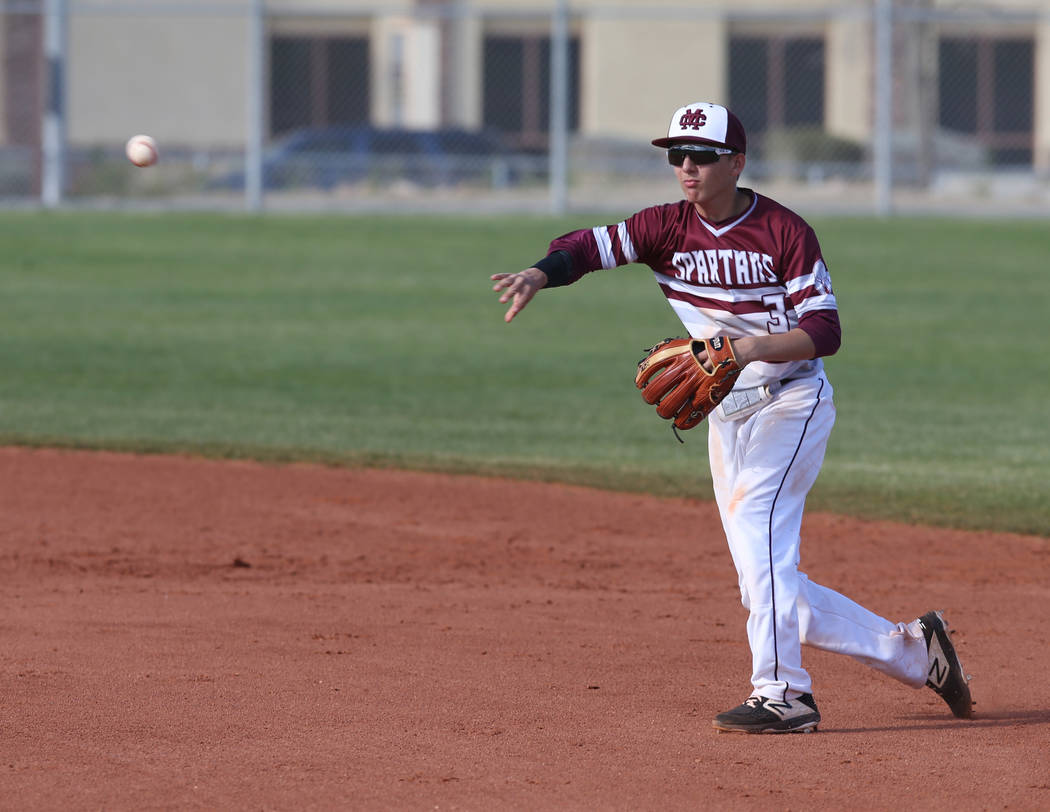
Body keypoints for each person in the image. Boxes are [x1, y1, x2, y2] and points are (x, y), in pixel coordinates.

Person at [490, 101, 973, 733]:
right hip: (727, 417)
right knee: (765, 588)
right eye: (677, 157)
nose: (687, 168)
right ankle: (915, 652)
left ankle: (784, 694)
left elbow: (823, 332)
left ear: (737, 162)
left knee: (759, 535)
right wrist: (539, 271)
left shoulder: (782, 230)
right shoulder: (664, 226)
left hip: (791, 403)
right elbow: (587, 248)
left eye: (702, 157)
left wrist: (744, 349)